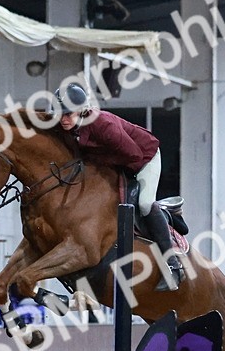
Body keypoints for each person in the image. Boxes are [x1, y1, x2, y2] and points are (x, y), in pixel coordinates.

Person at [54, 83, 184, 291]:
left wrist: (95, 159)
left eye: (68, 114)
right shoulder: (70, 125)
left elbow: (132, 155)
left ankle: (173, 265)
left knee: (143, 204)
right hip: (120, 162)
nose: (64, 119)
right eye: (60, 114)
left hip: (144, 158)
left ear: (81, 109)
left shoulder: (102, 124)